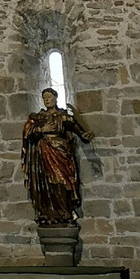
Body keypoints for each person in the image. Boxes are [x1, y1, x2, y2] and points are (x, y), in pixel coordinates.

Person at [22, 87, 94, 225]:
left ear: (56, 98)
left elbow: (79, 131)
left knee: (63, 182)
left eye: (49, 96)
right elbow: (28, 132)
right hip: (44, 153)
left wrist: (85, 135)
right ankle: (48, 213)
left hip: (61, 152)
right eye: (44, 98)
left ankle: (65, 213)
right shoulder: (39, 118)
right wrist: (42, 129)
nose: (47, 99)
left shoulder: (64, 117)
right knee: (48, 183)